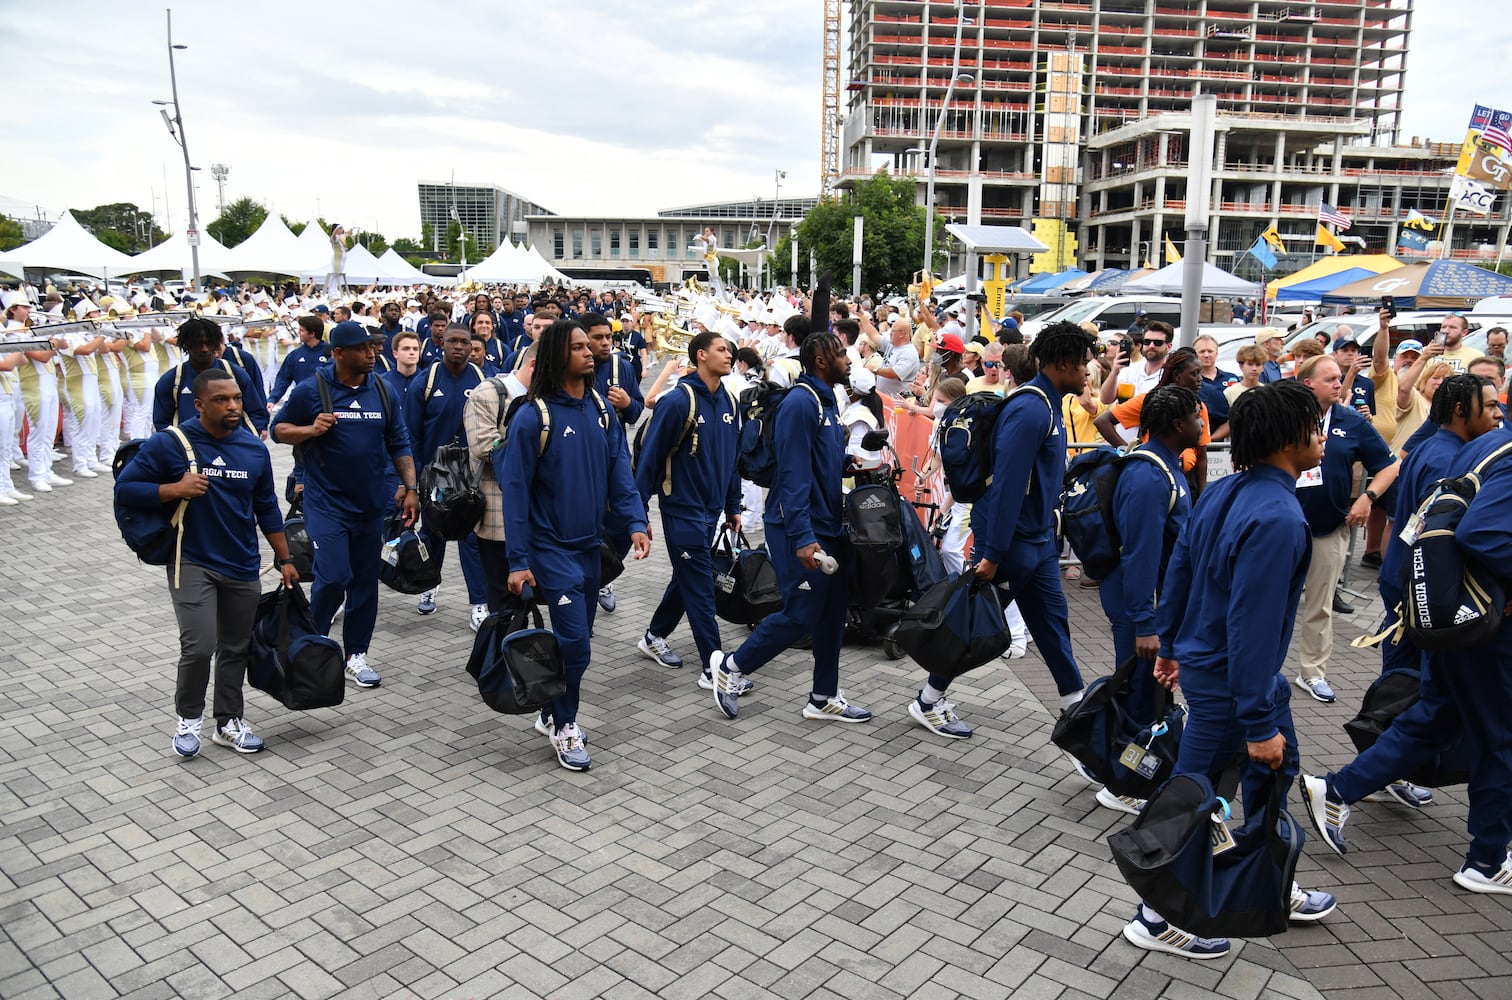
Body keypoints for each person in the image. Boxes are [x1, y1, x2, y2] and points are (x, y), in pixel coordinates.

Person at [1122, 380, 1336, 960]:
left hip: (1232, 677)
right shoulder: (1278, 517)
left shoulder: (1223, 491)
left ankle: (1269, 882)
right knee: (1193, 796)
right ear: (1288, 437)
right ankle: (1155, 916)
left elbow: (1184, 570)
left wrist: (1169, 644)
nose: (1322, 436)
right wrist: (1258, 719)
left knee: (1274, 775)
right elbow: (1251, 625)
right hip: (1233, 686)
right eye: (1315, 426)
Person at [1300, 374, 1503, 852]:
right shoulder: (1446, 456)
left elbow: (1394, 494)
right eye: (1489, 406)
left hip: (1413, 589)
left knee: (1429, 703)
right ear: (1459, 410)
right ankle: (1368, 779)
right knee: (1410, 693)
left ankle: (1362, 781)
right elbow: (1445, 541)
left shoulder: (1432, 447)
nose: (1497, 415)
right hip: (1431, 598)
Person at [911, 323, 1097, 741]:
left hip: (1037, 542)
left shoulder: (1046, 405)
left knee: (1052, 625)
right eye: (1083, 362)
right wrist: (992, 553)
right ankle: (928, 700)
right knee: (972, 626)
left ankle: (1076, 710)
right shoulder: (1031, 410)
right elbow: (1008, 486)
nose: (1089, 369)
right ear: (1063, 363)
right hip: (1012, 545)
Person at [116, 368, 301, 757]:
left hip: (242, 564)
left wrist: (285, 558)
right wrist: (173, 489)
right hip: (192, 561)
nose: (233, 406)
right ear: (199, 405)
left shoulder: (253, 449)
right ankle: (188, 720)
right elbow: (126, 487)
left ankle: (228, 722)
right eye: (221, 400)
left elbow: (266, 507)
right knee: (199, 646)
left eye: (236, 398)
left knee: (235, 647)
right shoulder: (171, 443)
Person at [500, 319, 650, 772]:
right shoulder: (532, 416)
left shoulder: (602, 409)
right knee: (577, 646)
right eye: (580, 347)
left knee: (577, 641)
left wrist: (636, 521)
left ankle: (551, 711)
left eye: (591, 346)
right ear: (556, 356)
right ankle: (565, 726)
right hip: (550, 549)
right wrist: (518, 561)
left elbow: (620, 472)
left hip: (591, 547)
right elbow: (515, 492)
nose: (590, 353)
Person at [709, 332, 873, 724]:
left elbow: (818, 462)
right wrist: (803, 538)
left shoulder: (826, 401)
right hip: (799, 528)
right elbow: (794, 473)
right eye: (839, 354)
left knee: (833, 613)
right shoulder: (801, 403)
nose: (849, 360)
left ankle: (823, 696)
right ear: (819, 359)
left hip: (826, 524)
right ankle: (732, 666)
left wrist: (848, 463)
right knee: (801, 612)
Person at [272, 322, 418, 689]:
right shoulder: (313, 390)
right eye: (362, 349)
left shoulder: (383, 391)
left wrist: (411, 487)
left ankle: (356, 655)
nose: (371, 354)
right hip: (326, 504)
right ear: (338, 353)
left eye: (372, 347)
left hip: (370, 505)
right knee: (333, 577)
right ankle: (313, 645)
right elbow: (278, 429)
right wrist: (310, 430)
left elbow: (399, 443)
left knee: (365, 583)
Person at [1409, 417, 1512, 893]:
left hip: (1461, 614)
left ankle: (1344, 787)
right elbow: (1483, 534)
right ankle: (1487, 861)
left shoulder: (1487, 443)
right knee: (1500, 741)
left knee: (1461, 722)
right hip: (1488, 624)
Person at [1094, 385, 1201, 815]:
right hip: (1138, 605)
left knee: (1149, 696)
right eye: (1197, 417)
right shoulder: (1148, 475)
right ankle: (1121, 786)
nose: (1201, 424)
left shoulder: (1167, 467)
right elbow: (1138, 554)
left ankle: (1130, 771)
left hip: (1153, 605)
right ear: (1178, 426)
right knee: (1140, 697)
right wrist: (1145, 622)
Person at [633, 330, 742, 686]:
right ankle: (716, 668)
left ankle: (653, 637)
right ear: (700, 356)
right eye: (721, 349)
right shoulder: (677, 402)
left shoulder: (728, 401)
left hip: (711, 511)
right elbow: (649, 461)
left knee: (688, 575)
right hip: (681, 508)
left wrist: (733, 506)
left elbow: (732, 459)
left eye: (730, 350)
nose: (729, 355)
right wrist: (637, 514)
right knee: (699, 586)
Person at [1292, 354, 1399, 703]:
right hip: (1281, 527)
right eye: (1331, 379)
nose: (1340, 384)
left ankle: (1312, 673)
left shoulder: (1350, 421)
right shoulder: (1284, 413)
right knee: (1271, 600)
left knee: (1320, 606)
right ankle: (1258, 670)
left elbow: (1388, 466)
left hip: (1327, 527)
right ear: (1308, 383)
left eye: (1340, 378)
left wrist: (1367, 497)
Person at [405, 324, 489, 627]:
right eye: (452, 341)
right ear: (441, 344)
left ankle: (479, 603)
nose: (458, 347)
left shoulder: (481, 379)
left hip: (471, 475)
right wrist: (411, 483)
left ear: (471, 347)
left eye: (463, 342)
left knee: (471, 538)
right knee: (433, 533)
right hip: (435, 475)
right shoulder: (425, 381)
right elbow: (410, 435)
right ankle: (428, 587)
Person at [465, 343, 535, 611]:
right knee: (503, 595)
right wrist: (532, 452)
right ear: (533, 365)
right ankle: (501, 650)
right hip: (497, 515)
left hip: (534, 516)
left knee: (528, 596)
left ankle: (524, 646)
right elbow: (484, 446)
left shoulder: (544, 397)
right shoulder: (489, 393)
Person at [585, 312, 646, 613]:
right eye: (598, 337)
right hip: (580, 462)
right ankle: (586, 584)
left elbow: (637, 412)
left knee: (621, 525)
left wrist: (626, 403)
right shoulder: (570, 369)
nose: (606, 343)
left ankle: (604, 575)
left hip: (614, 457)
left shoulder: (621, 367)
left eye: (609, 337)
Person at [153, 317, 270, 437]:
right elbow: (162, 422)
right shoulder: (172, 380)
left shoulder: (235, 373)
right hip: (190, 448)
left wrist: (243, 439)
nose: (204, 349)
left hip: (230, 446)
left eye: (208, 343)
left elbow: (256, 411)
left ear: (216, 344)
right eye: (198, 343)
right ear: (186, 345)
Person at [1099, 320, 1171, 410]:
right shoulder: (1130, 369)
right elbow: (1105, 399)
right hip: (1122, 422)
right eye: (1147, 342)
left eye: (1158, 343)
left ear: (1169, 346)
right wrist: (1114, 372)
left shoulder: (1171, 374)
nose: (1151, 346)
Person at [269, 315, 330, 404]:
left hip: (325, 401)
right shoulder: (295, 355)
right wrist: (272, 400)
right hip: (303, 402)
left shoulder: (330, 353)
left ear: (312, 334)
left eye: (301, 331)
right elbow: (283, 379)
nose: (298, 333)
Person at [1192, 334, 1240, 440]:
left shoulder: (1231, 379)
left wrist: (1212, 439)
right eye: (1202, 351)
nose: (1206, 355)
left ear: (1217, 353)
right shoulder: (1191, 382)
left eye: (1210, 351)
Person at [869, 317, 921, 398]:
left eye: (893, 331)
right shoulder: (892, 343)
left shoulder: (909, 353)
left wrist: (875, 370)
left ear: (901, 334)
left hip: (897, 403)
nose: (890, 333)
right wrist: (862, 316)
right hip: (884, 398)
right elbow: (873, 335)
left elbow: (895, 373)